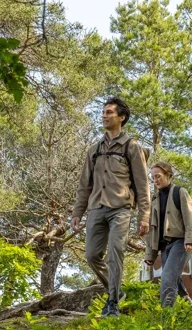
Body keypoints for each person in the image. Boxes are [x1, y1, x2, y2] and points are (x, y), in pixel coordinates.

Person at [71, 97, 151, 317]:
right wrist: (77, 213)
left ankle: (113, 302)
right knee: (91, 255)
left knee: (115, 252)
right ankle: (116, 291)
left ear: (121, 117)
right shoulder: (94, 150)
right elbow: (84, 185)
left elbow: (143, 186)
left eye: (109, 113)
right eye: (103, 112)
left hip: (121, 208)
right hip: (96, 207)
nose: (104, 116)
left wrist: (144, 216)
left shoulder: (131, 146)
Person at [143, 162, 192, 308]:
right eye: (153, 177)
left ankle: (166, 316)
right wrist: (150, 254)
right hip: (164, 246)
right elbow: (152, 230)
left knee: (167, 278)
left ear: (168, 175)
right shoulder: (154, 200)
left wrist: (190, 240)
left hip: (180, 243)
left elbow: (190, 217)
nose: (155, 180)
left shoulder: (180, 192)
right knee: (174, 280)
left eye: (158, 176)